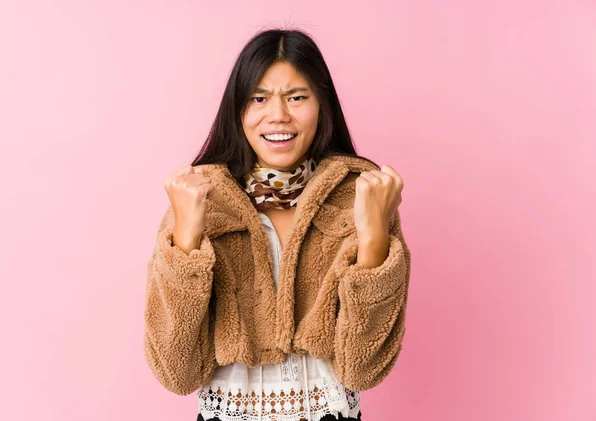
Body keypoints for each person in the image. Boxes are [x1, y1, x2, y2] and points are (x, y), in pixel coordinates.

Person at [143, 27, 412, 421]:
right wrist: (185, 240)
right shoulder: (200, 198)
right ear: (238, 110)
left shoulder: (362, 196)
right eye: (259, 98)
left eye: (297, 97)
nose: (278, 115)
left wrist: (372, 240)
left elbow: (364, 368)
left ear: (322, 105)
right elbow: (175, 372)